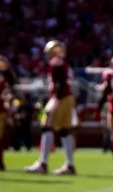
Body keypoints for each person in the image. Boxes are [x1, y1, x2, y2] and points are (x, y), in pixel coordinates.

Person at [25, 40, 77, 175]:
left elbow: (59, 83)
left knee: (47, 127)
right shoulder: (64, 63)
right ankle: (70, 165)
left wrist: (56, 100)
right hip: (68, 97)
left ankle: (43, 163)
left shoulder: (56, 62)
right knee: (65, 131)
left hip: (61, 98)